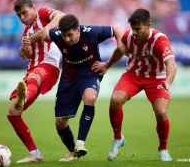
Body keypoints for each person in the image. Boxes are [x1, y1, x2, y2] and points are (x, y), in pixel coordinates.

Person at [28, 14, 123, 161]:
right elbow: (44, 34)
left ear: (78, 30)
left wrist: (110, 60)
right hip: (69, 77)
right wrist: (28, 40)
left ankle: (80, 143)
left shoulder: (92, 32)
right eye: (64, 36)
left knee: (90, 98)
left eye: (70, 35)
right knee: (60, 122)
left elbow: (116, 29)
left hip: (90, 72)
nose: (67, 39)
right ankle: (74, 152)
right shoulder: (57, 34)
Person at [92, 8, 177, 161]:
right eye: (133, 28)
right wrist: (107, 65)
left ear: (148, 24)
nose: (135, 32)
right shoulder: (129, 36)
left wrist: (168, 81)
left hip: (157, 78)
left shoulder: (160, 40)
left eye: (138, 29)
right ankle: (118, 138)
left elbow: (171, 63)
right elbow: (120, 50)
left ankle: (163, 149)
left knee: (161, 113)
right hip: (133, 74)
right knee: (115, 100)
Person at [7, 0, 64, 164]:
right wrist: (24, 49)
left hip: (48, 65)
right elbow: (26, 55)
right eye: (20, 16)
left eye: (25, 13)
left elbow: (61, 16)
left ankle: (23, 96)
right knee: (13, 113)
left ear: (33, 7)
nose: (23, 18)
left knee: (35, 77)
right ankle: (35, 153)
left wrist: (44, 30)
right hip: (32, 70)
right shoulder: (25, 33)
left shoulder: (43, 13)